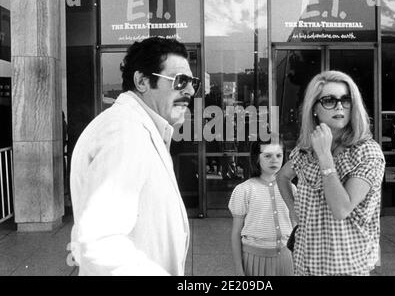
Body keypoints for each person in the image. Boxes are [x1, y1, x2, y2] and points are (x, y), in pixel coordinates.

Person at [69, 37, 200, 275]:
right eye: (180, 81)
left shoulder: (136, 128)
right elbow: (100, 242)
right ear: (142, 81)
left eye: (193, 83)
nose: (190, 91)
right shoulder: (123, 132)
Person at [277, 70, 385, 276]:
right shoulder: (306, 149)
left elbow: (341, 209)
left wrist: (325, 157)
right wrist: (294, 210)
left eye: (346, 100)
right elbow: (282, 176)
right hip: (305, 262)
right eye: (329, 100)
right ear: (314, 108)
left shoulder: (366, 152)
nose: (339, 106)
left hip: (345, 266)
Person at [229, 136, 296, 276]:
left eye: (279, 155)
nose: (274, 160)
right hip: (254, 259)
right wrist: (238, 269)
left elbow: (295, 225)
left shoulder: (292, 189)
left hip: (286, 258)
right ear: (256, 158)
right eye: (267, 156)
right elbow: (236, 233)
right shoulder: (244, 190)